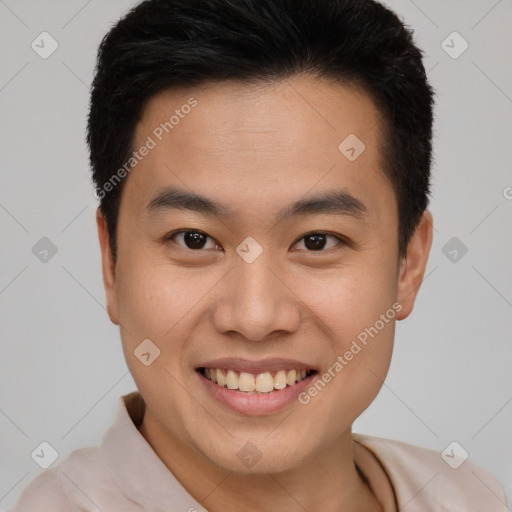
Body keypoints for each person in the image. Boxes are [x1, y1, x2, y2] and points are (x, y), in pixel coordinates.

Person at [12, 0, 508, 510]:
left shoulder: (470, 496)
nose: (253, 317)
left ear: (409, 263)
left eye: (317, 241)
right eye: (194, 239)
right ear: (111, 262)